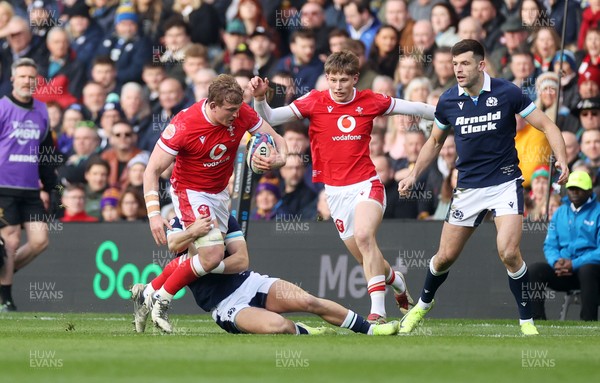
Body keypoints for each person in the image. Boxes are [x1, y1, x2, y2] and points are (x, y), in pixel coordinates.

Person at [397, 39, 570, 336]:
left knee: (509, 252)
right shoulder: (449, 100)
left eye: (464, 63)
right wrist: (413, 175)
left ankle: (527, 322)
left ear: (481, 65)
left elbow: (549, 126)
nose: (458, 69)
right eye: (454, 64)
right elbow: (435, 142)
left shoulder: (507, 92)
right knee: (444, 257)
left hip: (505, 182)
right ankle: (424, 304)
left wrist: (563, 162)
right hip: (468, 188)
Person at [250, 50, 435, 323]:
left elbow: (415, 108)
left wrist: (449, 111)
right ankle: (396, 281)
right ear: (327, 78)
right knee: (365, 257)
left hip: (366, 184)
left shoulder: (370, 101)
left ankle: (377, 314)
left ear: (355, 79)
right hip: (335, 192)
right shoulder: (314, 101)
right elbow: (270, 118)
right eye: (333, 80)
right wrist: (259, 98)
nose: (338, 86)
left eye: (344, 80)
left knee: (364, 236)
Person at [143, 74, 287, 332]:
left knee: (208, 258)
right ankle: (161, 299)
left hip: (220, 193)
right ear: (212, 105)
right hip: (190, 191)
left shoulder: (241, 112)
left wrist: (279, 159)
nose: (235, 115)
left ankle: (149, 291)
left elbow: (279, 139)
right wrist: (154, 214)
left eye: (237, 109)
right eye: (230, 110)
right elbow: (151, 170)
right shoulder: (185, 124)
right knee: (212, 255)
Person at [130, 214, 399, 335]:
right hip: (226, 306)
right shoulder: (178, 221)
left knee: (309, 302)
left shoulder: (226, 218)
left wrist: (210, 263)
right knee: (279, 326)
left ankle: (371, 330)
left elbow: (242, 260)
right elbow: (173, 248)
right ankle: (304, 332)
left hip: (250, 282)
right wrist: (193, 232)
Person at [0, 58, 58, 312]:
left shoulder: (42, 111)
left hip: (30, 189)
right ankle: (6, 298)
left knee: (39, 241)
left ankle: (4, 271)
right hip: (4, 188)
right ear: (13, 79)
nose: (27, 81)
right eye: (22, 76)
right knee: (10, 242)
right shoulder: (2, 108)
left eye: (31, 77)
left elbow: (47, 153)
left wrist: (51, 187)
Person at [529, 171, 600, 321]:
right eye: (571, 188)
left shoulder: (598, 212)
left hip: (592, 272)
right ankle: (537, 320)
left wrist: (574, 264)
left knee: (588, 270)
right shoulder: (560, 212)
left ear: (589, 191)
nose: (574, 192)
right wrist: (556, 262)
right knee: (535, 270)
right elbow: (550, 245)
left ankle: (588, 321)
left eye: (579, 188)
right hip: (565, 271)